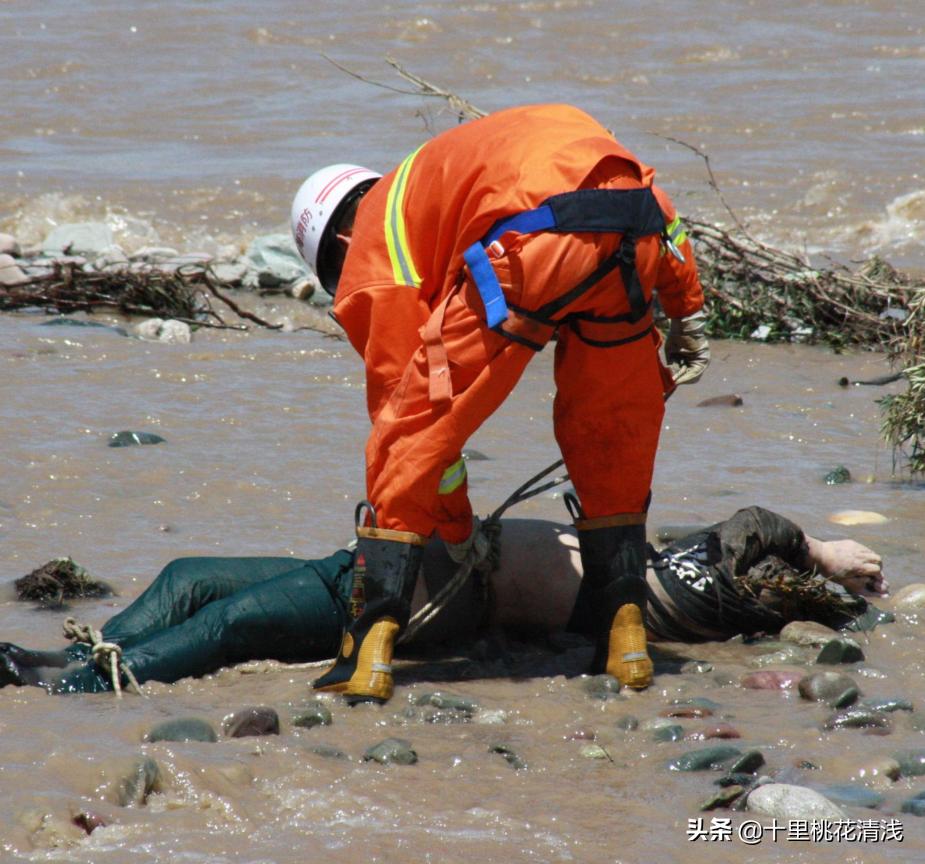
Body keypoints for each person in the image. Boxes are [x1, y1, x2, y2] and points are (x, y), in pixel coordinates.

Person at [290, 104, 710, 702]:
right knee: (613, 437)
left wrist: (458, 532)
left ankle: (369, 655)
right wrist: (686, 304)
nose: (345, 285)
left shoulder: (377, 235)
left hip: (534, 246)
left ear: (337, 240)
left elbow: (410, 418)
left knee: (407, 434)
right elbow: (648, 200)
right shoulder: (447, 174)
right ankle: (627, 644)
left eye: (335, 274)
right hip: (635, 239)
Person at [0, 507, 888, 695]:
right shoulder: (679, 571)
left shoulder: (696, 594)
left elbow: (752, 528)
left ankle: (80, 685)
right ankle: (85, 655)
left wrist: (820, 552)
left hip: (422, 592)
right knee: (191, 569)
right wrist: (829, 560)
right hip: (396, 555)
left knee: (230, 624)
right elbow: (749, 530)